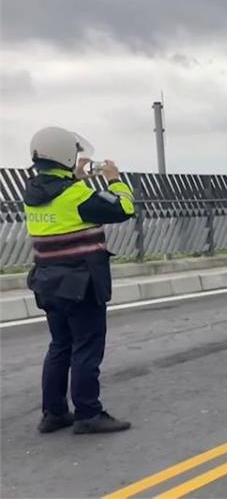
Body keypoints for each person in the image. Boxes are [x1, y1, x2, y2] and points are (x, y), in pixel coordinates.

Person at [24, 127, 135, 434]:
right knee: (86, 347)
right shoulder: (76, 194)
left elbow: (60, 198)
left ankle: (54, 413)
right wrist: (114, 179)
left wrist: (75, 178)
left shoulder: (32, 193)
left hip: (47, 282)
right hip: (80, 283)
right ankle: (88, 413)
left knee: (60, 345)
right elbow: (124, 208)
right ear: (64, 155)